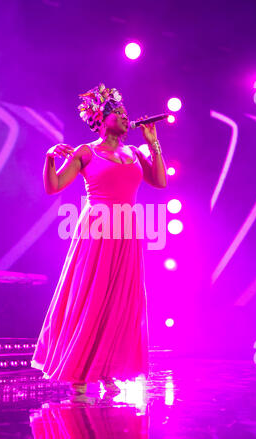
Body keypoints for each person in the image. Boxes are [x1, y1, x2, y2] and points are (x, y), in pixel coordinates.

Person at [31, 83, 168, 395]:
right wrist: (50, 158)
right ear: (101, 119)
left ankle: (106, 368)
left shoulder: (135, 152)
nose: (124, 116)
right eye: (117, 112)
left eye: (124, 112)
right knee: (92, 295)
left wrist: (154, 143)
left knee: (120, 300)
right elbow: (54, 187)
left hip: (127, 231)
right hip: (97, 228)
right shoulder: (86, 152)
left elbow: (160, 181)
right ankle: (80, 370)